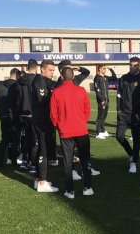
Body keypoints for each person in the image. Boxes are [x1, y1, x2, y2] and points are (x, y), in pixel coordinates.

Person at [50, 67, 94, 199]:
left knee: (68, 162)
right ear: (73, 77)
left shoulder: (56, 92)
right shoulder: (81, 90)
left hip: (66, 132)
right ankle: (88, 187)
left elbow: (53, 114)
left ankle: (70, 191)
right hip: (81, 131)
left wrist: (59, 126)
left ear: (62, 77)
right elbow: (87, 110)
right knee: (85, 159)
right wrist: (81, 121)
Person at [31, 59, 59, 192]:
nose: (52, 72)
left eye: (53, 70)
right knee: (43, 150)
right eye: (50, 70)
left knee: (42, 149)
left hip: (42, 120)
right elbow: (42, 101)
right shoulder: (39, 82)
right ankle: (42, 182)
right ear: (42, 69)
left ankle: (38, 179)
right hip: (42, 121)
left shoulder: (44, 81)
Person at [115, 57, 140, 173]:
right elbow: (119, 94)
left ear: (139, 66)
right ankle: (131, 154)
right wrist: (118, 110)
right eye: (131, 65)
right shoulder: (124, 78)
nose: (132, 67)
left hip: (136, 114)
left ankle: (134, 162)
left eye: (135, 65)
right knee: (119, 136)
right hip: (123, 113)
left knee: (136, 139)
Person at [0, 68, 21, 167]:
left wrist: (1, 114)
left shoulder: (0, 85)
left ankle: (0, 160)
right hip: (14, 115)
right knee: (15, 139)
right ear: (17, 75)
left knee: (4, 139)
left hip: (4, 116)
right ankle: (13, 160)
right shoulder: (18, 86)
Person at [17, 59, 38, 170]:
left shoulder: (20, 81)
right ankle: (33, 164)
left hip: (23, 114)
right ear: (35, 68)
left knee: (27, 139)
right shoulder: (37, 79)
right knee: (34, 141)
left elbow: (18, 98)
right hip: (33, 114)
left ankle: (24, 161)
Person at [94, 64, 117, 139]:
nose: (105, 70)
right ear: (99, 69)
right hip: (102, 101)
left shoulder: (105, 78)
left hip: (107, 100)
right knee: (100, 116)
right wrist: (101, 100)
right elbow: (97, 90)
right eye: (103, 68)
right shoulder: (97, 78)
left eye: (105, 68)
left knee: (104, 116)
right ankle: (98, 133)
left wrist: (111, 69)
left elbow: (114, 78)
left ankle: (102, 130)